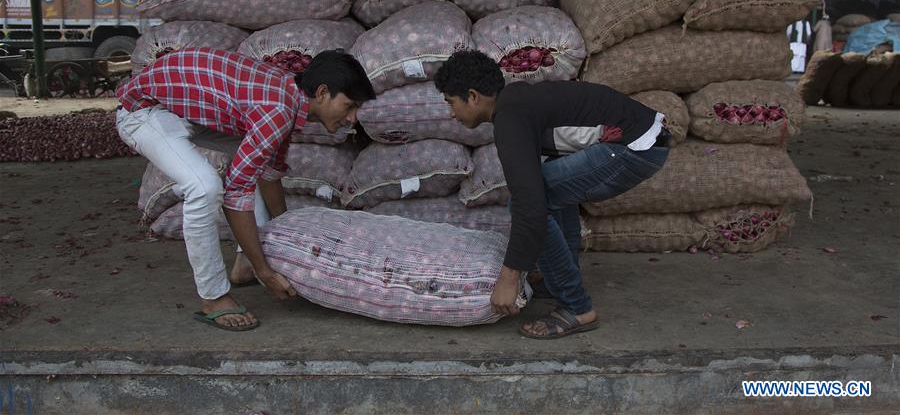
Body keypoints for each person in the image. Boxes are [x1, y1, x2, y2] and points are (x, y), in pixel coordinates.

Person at [116, 47, 375, 331]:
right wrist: (265, 271)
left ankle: (244, 264)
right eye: (350, 106)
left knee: (252, 163)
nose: (353, 119)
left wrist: (287, 240)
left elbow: (267, 173)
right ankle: (214, 297)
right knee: (204, 187)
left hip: (184, 110)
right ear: (323, 93)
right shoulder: (277, 108)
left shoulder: (288, 96)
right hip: (144, 110)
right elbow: (237, 192)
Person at [435, 50, 670, 339]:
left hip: (634, 147)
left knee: (531, 198)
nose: (451, 113)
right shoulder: (517, 104)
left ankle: (576, 306)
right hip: (643, 141)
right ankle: (561, 276)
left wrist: (510, 277)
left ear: (472, 96)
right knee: (548, 186)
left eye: (451, 102)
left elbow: (527, 203)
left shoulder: (511, 117)